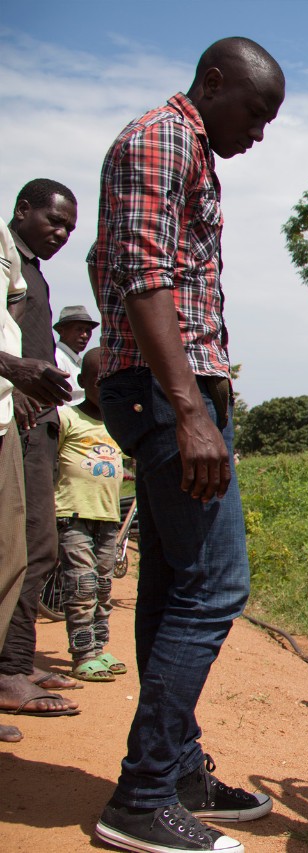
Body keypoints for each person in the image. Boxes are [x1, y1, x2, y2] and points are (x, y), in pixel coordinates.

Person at [88, 36, 285, 853]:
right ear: (212, 82)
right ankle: (141, 796)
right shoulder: (162, 137)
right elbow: (140, 274)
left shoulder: (189, 151)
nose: (260, 133)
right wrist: (188, 407)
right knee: (214, 586)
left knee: (174, 585)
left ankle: (176, 771)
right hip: (170, 395)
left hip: (180, 389)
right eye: (255, 111)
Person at [0, 178, 83, 724]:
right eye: (53, 222)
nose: (60, 234)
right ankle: (8, 671)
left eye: (69, 229)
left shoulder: (34, 274)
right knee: (20, 548)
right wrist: (19, 381)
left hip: (34, 421)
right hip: (17, 417)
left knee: (37, 548)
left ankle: (18, 660)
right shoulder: (8, 262)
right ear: (22, 209)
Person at [55, 348, 127, 683]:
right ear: (83, 382)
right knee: (81, 585)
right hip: (73, 514)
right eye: (97, 381)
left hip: (108, 518)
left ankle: (99, 648)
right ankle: (82, 654)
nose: (103, 387)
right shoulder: (66, 418)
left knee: (102, 586)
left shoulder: (118, 424)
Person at [54, 304, 99, 405]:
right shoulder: (57, 357)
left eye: (88, 330)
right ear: (61, 331)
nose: (84, 335)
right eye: (79, 329)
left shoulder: (77, 361)